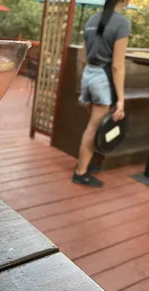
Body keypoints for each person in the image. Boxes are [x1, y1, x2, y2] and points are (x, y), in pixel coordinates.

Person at [73, 0, 131, 187]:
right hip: (102, 79)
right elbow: (117, 65)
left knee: (95, 127)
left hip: (88, 74)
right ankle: (81, 173)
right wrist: (121, 100)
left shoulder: (91, 20)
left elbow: (83, 57)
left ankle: (85, 162)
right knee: (93, 128)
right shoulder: (122, 23)